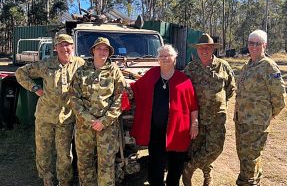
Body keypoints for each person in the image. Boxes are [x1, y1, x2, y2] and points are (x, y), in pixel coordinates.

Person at [15, 34, 85, 186]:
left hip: (66, 117)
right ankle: (47, 179)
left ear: (73, 47)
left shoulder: (80, 64)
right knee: (43, 150)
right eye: (60, 45)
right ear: (55, 48)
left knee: (65, 154)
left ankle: (64, 181)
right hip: (45, 116)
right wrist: (35, 88)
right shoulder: (47, 64)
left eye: (67, 45)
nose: (64, 48)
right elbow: (20, 72)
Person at [130, 44, 199, 186]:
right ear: (158, 59)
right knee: (156, 164)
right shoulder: (151, 74)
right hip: (156, 131)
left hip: (178, 130)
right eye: (162, 56)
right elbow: (136, 89)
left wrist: (194, 124)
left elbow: (193, 105)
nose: (165, 58)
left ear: (175, 58)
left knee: (176, 165)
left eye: (168, 55)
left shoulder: (183, 80)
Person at [69, 37, 126, 186]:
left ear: (109, 53)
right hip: (84, 126)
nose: (102, 51)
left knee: (106, 164)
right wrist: (89, 120)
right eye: (99, 48)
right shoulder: (81, 71)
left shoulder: (114, 71)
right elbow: (74, 97)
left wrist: (104, 121)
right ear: (93, 50)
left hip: (107, 127)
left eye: (105, 49)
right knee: (84, 163)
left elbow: (121, 98)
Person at [182, 33, 236, 186]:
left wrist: (219, 102)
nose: (204, 51)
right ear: (197, 50)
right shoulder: (191, 68)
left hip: (217, 117)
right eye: (201, 48)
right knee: (196, 148)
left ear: (213, 49)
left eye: (207, 48)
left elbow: (230, 88)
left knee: (215, 147)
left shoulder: (223, 66)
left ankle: (189, 167)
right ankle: (207, 175)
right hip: (196, 117)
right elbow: (184, 91)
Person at [234, 29, 286, 186]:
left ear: (265, 45)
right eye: (251, 43)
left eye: (258, 44)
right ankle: (250, 181)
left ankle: (248, 183)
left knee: (250, 158)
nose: (254, 47)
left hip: (257, 124)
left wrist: (267, 115)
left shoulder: (269, 67)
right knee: (244, 156)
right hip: (241, 121)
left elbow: (280, 97)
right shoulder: (247, 66)